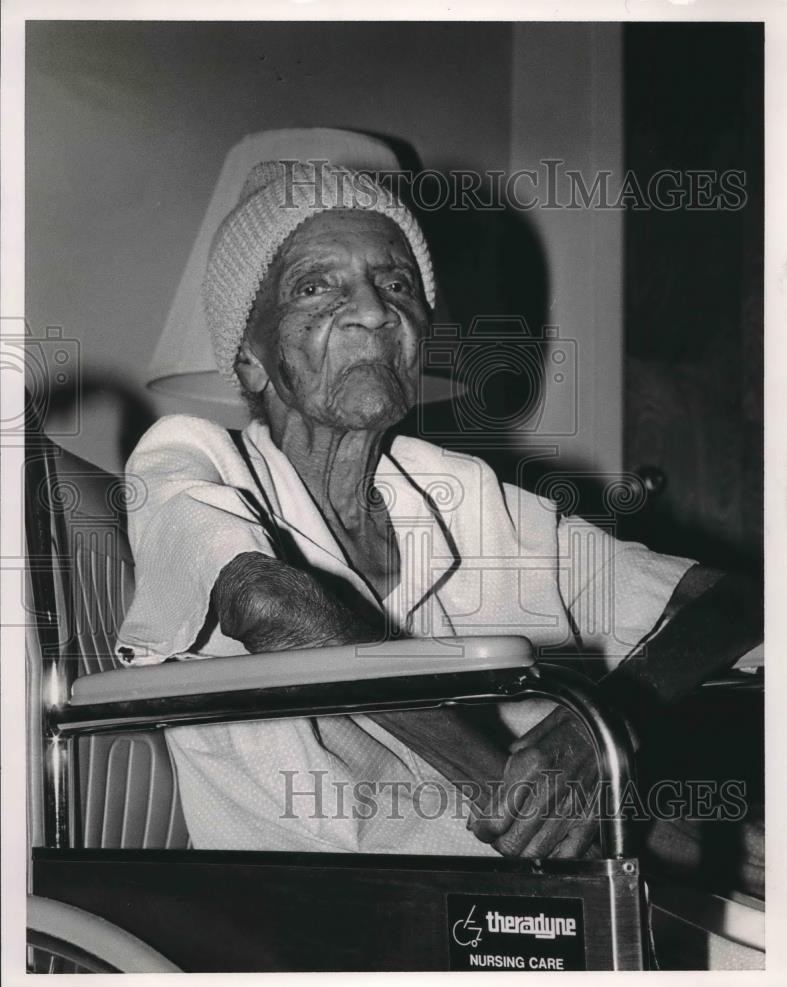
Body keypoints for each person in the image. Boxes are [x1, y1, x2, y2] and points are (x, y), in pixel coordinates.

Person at [116, 135, 763, 878]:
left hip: (540, 887)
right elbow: (266, 602)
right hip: (317, 909)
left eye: (395, 284)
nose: (373, 310)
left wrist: (597, 729)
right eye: (314, 287)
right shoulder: (194, 454)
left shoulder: (461, 494)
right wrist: (511, 794)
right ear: (250, 357)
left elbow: (732, 601)